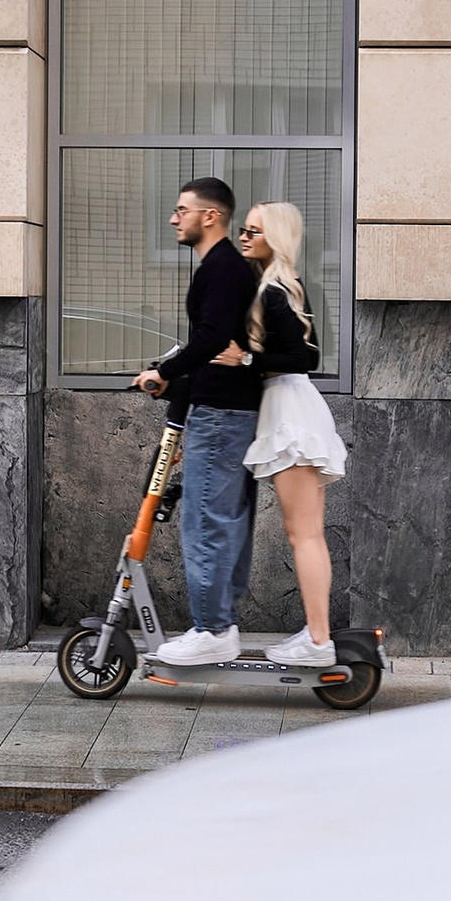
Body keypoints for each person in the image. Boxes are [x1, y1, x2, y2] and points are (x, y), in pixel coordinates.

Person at [133, 175, 260, 664]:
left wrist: (162, 370)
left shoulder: (223, 268)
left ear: (210, 216)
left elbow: (211, 339)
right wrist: (177, 384)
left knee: (206, 520)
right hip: (224, 409)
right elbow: (214, 349)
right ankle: (218, 624)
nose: (172, 218)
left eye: (181, 210)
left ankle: (212, 629)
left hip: (223, 415)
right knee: (221, 518)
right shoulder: (225, 267)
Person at [232, 202, 346, 668]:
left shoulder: (275, 290)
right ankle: (316, 636)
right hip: (293, 408)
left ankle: (318, 640)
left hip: (290, 412)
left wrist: (241, 359)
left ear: (274, 238)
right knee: (307, 534)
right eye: (243, 228)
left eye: (254, 231)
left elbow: (303, 358)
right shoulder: (282, 286)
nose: (244, 236)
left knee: (304, 535)